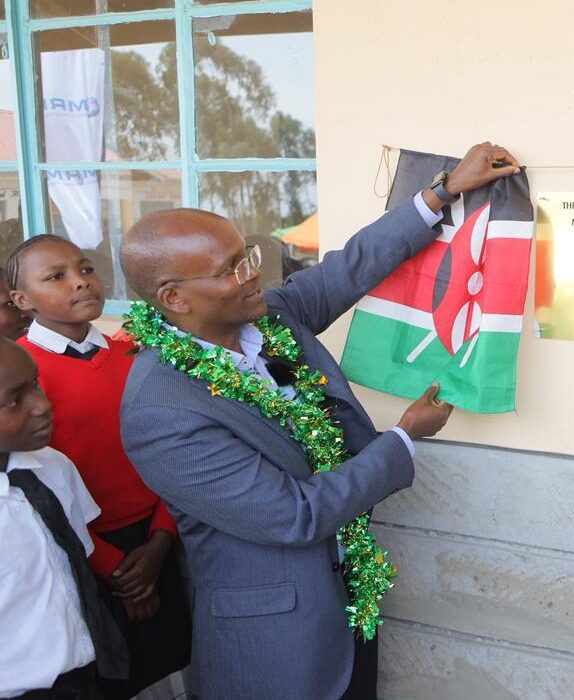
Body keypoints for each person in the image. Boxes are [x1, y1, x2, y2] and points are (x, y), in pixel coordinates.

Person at [117, 142, 519, 700]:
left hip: (351, 599)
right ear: (175, 298)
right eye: (232, 269)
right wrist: (403, 438)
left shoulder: (271, 319)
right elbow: (294, 515)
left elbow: (348, 269)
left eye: (248, 256)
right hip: (276, 643)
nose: (253, 275)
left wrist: (443, 192)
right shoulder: (162, 411)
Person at [6, 235, 191, 699]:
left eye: (85, 269)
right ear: (22, 300)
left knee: (173, 668)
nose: (80, 283)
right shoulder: (22, 376)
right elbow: (40, 491)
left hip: (159, 538)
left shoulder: (135, 355)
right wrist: (118, 571)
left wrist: (161, 539)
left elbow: (173, 449)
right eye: (57, 277)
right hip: (84, 551)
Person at [0, 338, 129, 699]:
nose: (42, 405)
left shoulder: (53, 466)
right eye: (14, 401)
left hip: (85, 676)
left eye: (35, 384)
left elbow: (77, 565)